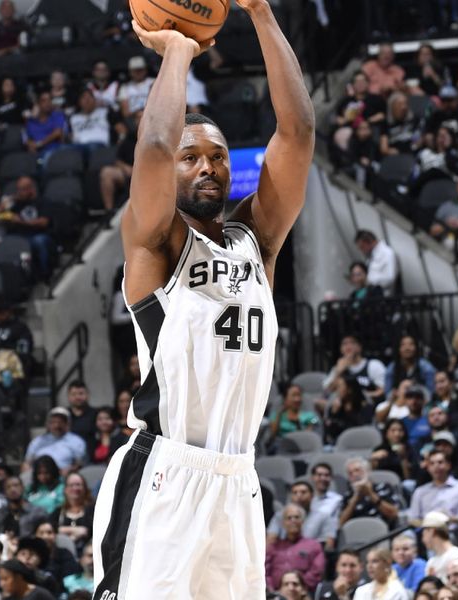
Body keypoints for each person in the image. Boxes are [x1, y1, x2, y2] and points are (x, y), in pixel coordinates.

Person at [93, 3, 313, 596]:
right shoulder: (155, 244)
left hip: (238, 479)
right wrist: (178, 53)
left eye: (217, 156)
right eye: (193, 158)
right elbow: (155, 148)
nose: (207, 166)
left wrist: (262, 14)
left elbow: (297, 134)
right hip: (164, 473)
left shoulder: (257, 241)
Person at [265, 504, 325, 593]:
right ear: (283, 523)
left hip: (303, 593)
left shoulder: (314, 545)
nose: (293, 520)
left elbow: (316, 572)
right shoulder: (274, 547)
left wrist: (296, 587)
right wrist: (272, 590)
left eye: (296, 517)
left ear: (303, 521)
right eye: (289, 518)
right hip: (275, 594)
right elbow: (265, 571)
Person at [0, 176, 51, 276]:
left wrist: (21, 221)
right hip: (19, 236)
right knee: (3, 242)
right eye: (18, 189)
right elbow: (4, 216)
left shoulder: (43, 201)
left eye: (22, 189)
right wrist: (5, 206)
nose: (19, 192)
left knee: (39, 241)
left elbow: (43, 222)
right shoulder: (17, 204)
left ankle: (45, 274)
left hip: (37, 235)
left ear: (31, 188)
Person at [409, 450, 458, 525]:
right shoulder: (420, 491)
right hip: (426, 532)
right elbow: (413, 519)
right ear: (428, 468)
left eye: (440, 462)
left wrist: (449, 519)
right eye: (432, 463)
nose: (436, 466)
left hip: (454, 532)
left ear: (448, 465)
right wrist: (430, 523)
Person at [340, 457, 400, 527]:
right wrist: (355, 498)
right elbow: (341, 523)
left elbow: (394, 514)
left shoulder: (384, 487)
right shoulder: (348, 496)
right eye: (350, 473)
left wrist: (371, 494)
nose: (354, 475)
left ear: (367, 471)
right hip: (358, 532)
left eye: (357, 470)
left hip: (385, 531)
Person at [23, 408, 86, 475]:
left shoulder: (77, 441)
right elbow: (26, 463)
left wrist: (70, 470)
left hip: (64, 477)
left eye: (60, 422)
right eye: (53, 422)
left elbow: (80, 465)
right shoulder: (37, 441)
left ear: (67, 424)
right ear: (48, 424)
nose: (57, 426)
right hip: (38, 477)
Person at [49, 473, 94, 555]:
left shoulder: (93, 509)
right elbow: (51, 529)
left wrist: (63, 530)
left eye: (78, 485)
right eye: (71, 485)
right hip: (62, 553)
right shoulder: (58, 511)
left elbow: (90, 530)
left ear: (85, 488)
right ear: (65, 489)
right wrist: (78, 531)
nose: (75, 488)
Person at [24, 92, 66, 163]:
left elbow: (58, 133)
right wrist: (30, 145)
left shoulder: (57, 115)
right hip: (36, 154)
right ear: (38, 104)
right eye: (44, 101)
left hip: (55, 152)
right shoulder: (31, 122)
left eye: (49, 100)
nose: (47, 103)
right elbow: (27, 139)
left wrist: (39, 144)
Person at [422, 511, 458, 580]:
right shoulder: (431, 562)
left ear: (432, 531)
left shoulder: (456, 556)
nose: (423, 540)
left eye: (424, 534)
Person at [354, 230, 398, 294]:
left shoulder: (387, 253)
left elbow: (390, 277)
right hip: (373, 294)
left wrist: (370, 281)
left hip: (384, 296)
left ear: (368, 242)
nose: (362, 251)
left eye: (362, 247)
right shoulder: (371, 257)